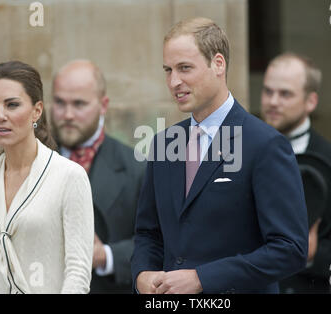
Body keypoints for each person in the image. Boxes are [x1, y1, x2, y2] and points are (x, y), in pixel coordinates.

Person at [130, 17, 308, 294]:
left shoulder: (266, 145)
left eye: (185, 68)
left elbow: (290, 249)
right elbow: (147, 233)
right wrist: (142, 273)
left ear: (218, 64)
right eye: (168, 70)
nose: (174, 81)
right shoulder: (164, 143)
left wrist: (203, 278)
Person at [0, 61, 94, 294]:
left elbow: (78, 273)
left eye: (12, 105)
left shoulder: (69, 176)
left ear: (37, 110)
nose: (0, 116)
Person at [260, 52, 331, 293]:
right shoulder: (240, 151)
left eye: (285, 94)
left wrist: (313, 254)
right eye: (268, 91)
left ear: (311, 101)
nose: (273, 102)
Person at [50, 60, 145, 293]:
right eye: (60, 102)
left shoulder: (138, 168)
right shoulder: (30, 159)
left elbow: (158, 244)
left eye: (79, 104)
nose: (68, 114)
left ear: (103, 105)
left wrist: (105, 256)